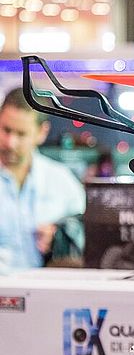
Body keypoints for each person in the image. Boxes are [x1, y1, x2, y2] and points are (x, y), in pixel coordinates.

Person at [0, 88, 86, 274]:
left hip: (48, 287)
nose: (10, 143)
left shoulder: (62, 181)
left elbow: (87, 236)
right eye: (6, 130)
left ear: (41, 132)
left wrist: (58, 236)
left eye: (21, 134)